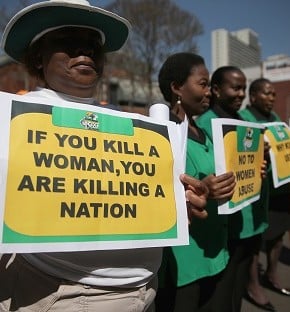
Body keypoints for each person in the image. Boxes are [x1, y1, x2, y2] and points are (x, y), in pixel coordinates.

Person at [0, 1, 208, 311]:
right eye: (69, 43)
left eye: (93, 46)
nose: (85, 52)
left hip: (145, 292)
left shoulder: (132, 127)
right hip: (64, 294)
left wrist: (181, 204)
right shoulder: (10, 119)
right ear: (38, 58)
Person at [154, 53, 236, 312]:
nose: (209, 91)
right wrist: (203, 191)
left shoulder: (202, 132)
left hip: (217, 253)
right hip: (185, 267)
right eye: (202, 84)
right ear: (177, 87)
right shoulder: (159, 131)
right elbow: (154, 194)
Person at [196, 66, 270, 312]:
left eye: (244, 89)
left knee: (237, 288)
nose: (241, 94)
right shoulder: (205, 125)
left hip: (250, 221)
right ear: (216, 90)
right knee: (221, 294)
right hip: (226, 227)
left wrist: (262, 163)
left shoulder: (247, 121)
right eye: (235, 87)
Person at [239, 78, 290, 310]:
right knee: (255, 242)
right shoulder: (244, 119)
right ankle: (253, 284)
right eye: (267, 94)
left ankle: (271, 274)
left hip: (280, 191)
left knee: (278, 237)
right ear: (254, 96)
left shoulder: (276, 120)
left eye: (273, 95)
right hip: (258, 193)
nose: (272, 98)